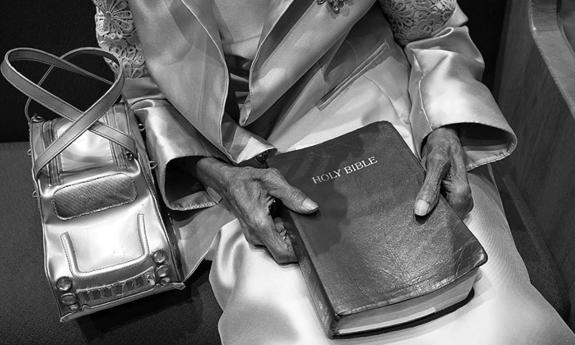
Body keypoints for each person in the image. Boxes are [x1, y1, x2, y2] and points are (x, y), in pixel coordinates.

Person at [92, 0, 575, 343]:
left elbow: (433, 31)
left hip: (383, 118)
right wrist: (216, 172)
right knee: (289, 330)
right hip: (238, 154)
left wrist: (444, 123)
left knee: (499, 324)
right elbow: (141, 88)